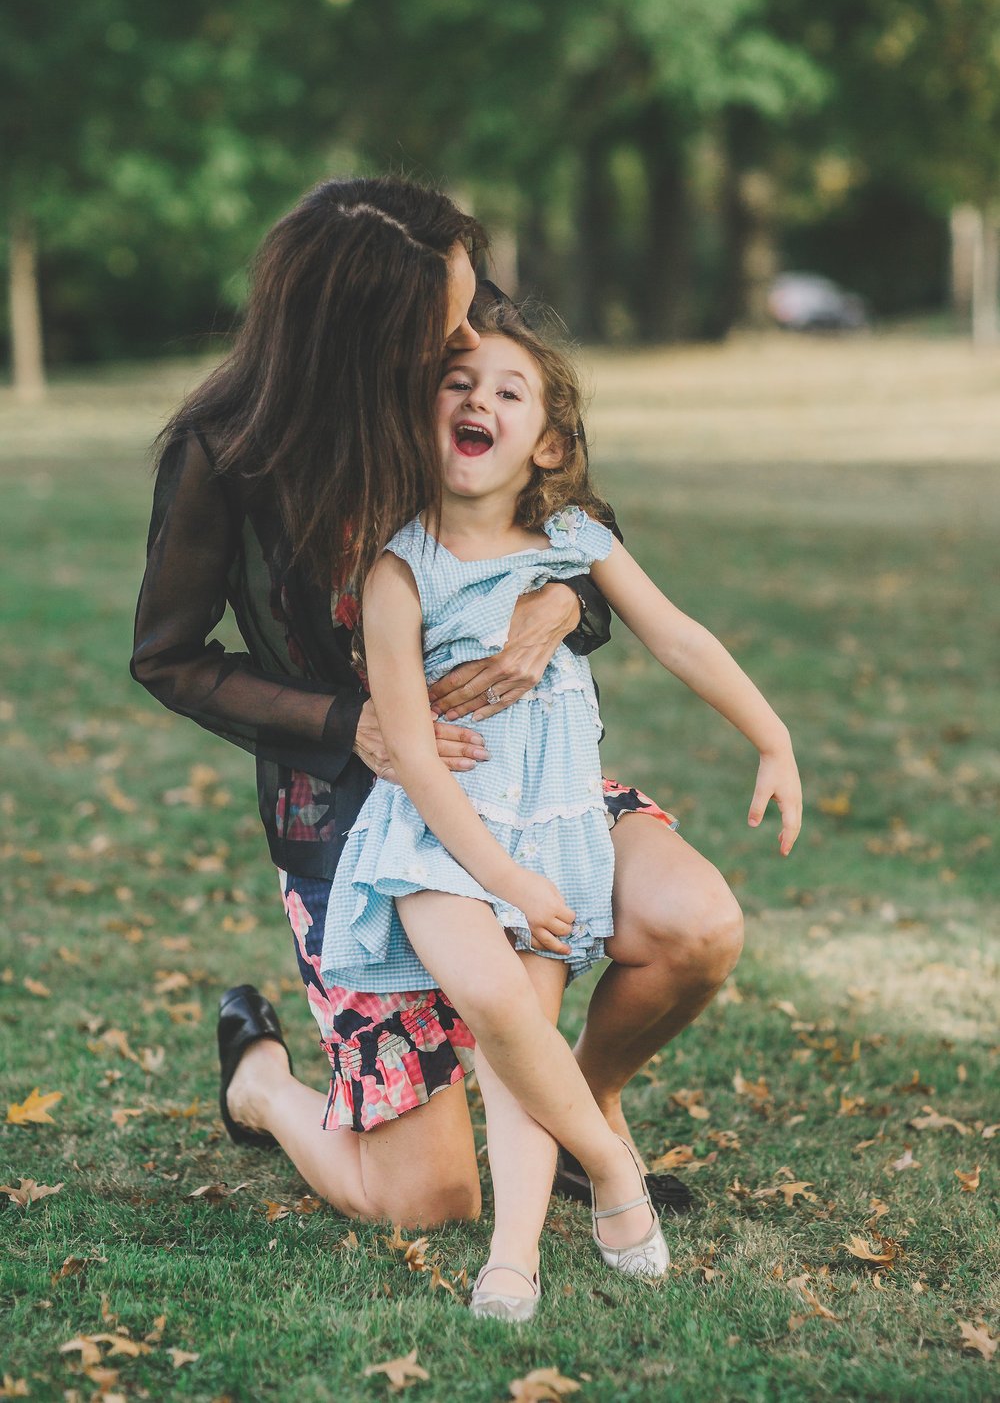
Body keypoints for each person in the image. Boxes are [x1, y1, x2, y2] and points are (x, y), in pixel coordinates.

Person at [131, 174, 749, 1233]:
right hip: (356, 819)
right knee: (427, 1200)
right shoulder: (226, 453)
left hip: (510, 781)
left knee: (692, 928)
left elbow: (561, 503)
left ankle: (569, 1116)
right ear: (364, 337)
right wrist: (348, 723)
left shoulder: (454, 338)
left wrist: (558, 605)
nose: (475, 332)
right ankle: (263, 1085)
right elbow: (169, 657)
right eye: (450, 324)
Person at [318, 300, 802, 1319]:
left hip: (556, 828)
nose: (477, 399)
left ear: (544, 444)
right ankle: (610, 1167)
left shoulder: (573, 540)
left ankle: (514, 1261)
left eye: (507, 390)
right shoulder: (401, 567)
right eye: (458, 385)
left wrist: (771, 735)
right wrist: (499, 878)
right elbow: (408, 748)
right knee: (495, 1007)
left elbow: (676, 636)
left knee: (523, 1041)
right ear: (423, 418)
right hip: (438, 841)